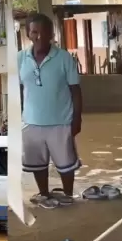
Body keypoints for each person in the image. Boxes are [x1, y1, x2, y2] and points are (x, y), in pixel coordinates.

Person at [18, 13, 83, 209]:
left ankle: (68, 195)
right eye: (34, 32)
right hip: (31, 123)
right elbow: (18, 90)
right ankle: (44, 194)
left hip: (60, 122)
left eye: (44, 32)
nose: (39, 36)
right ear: (29, 34)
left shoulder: (64, 58)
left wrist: (77, 119)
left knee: (66, 164)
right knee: (38, 164)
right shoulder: (20, 58)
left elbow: (76, 91)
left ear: (51, 34)